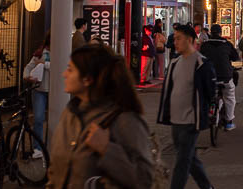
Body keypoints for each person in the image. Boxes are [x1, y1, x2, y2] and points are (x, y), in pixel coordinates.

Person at [47, 44, 153, 188]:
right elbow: (55, 171)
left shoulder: (124, 119)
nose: (64, 74)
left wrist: (107, 149)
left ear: (87, 79)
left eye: (70, 69)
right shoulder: (70, 113)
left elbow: (145, 180)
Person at [157, 24, 217, 189]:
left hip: (191, 121)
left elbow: (210, 91)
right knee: (189, 157)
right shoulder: (175, 63)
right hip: (176, 120)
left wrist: (203, 111)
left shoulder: (201, 63)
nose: (175, 42)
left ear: (189, 40)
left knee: (182, 160)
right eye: (174, 38)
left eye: (178, 38)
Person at [200, 24, 240, 130]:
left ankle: (207, 113)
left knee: (206, 94)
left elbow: (200, 58)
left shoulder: (204, 45)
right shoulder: (227, 44)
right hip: (225, 76)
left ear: (210, 32)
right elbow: (235, 57)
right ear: (220, 33)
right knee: (230, 96)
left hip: (209, 76)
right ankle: (229, 122)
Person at [23, 32, 50, 158]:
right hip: (39, 90)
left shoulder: (62, 51)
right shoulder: (40, 52)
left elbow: (62, 66)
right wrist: (27, 77)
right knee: (38, 119)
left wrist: (45, 64)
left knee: (56, 119)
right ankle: (37, 148)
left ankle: (51, 146)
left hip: (56, 91)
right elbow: (28, 68)